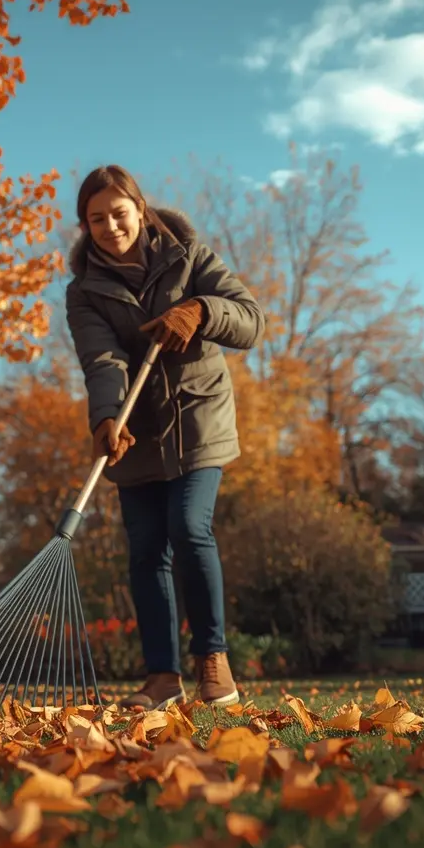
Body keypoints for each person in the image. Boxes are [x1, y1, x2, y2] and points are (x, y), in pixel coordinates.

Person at [66, 165, 265, 711]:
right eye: (96, 218)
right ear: (85, 225)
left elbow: (251, 321)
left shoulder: (190, 256)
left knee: (188, 525)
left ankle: (212, 660)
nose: (110, 226)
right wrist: (107, 417)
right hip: (136, 427)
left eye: (119, 213)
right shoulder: (83, 292)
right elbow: (100, 357)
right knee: (145, 546)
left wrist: (200, 311)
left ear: (140, 208)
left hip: (199, 416)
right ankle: (162, 676)